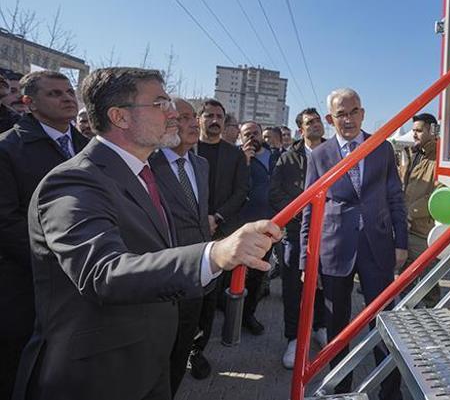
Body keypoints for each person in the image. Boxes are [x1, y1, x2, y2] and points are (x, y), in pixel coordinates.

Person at [12, 68, 281, 400]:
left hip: (149, 358)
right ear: (120, 116)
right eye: (160, 103)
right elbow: (104, 272)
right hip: (99, 373)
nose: (174, 114)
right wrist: (214, 254)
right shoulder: (73, 181)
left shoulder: (142, 172)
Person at [300, 88, 407, 400]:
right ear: (331, 118)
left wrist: (400, 241)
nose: (347, 119)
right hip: (334, 250)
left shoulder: (382, 148)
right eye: (341, 114)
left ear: (362, 113)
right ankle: (340, 388)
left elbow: (395, 197)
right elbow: (309, 208)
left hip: (378, 247)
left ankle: (390, 390)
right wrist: (308, 260)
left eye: (353, 112)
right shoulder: (320, 155)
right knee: (337, 325)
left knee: (383, 322)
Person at [0, 71, 87, 400]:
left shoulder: (87, 147)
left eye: (69, 91)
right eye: (54, 93)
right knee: (19, 367)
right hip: (26, 281)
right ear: (29, 102)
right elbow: (5, 221)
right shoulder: (8, 149)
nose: (67, 98)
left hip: (78, 278)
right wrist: (52, 260)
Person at [148, 99, 211, 396]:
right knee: (156, 353)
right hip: (162, 277)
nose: (193, 123)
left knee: (182, 345)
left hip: (197, 274)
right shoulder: (148, 165)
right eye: (184, 117)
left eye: (193, 117)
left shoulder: (201, 165)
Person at [190, 99, 249, 378]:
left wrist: (217, 218)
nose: (215, 120)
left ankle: (196, 350)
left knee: (209, 294)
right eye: (209, 115)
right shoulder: (186, 149)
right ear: (199, 119)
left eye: (219, 117)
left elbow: (240, 192)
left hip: (219, 232)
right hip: (186, 231)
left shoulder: (235, 156)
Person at [269, 108, 327, 369]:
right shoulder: (287, 158)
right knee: (293, 286)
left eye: (317, 121)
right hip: (295, 233)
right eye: (309, 123)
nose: (315, 125)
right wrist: (301, 212)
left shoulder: (334, 153)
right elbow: (275, 193)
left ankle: (321, 326)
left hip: (328, 231)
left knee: (325, 284)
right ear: (300, 130)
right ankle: (293, 338)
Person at [238, 121, 281, 335]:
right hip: (242, 224)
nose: (252, 137)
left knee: (257, 273)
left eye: (255, 132)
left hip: (269, 223)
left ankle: (248, 315)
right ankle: (230, 313)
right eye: (247, 134)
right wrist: (244, 161)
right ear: (241, 136)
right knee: (234, 272)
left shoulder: (276, 156)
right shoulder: (238, 157)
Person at [399, 113, 442, 307]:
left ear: (432, 130)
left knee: (428, 283)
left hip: (423, 231)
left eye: (418, 130)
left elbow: (437, 194)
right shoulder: (415, 154)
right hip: (408, 227)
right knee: (405, 282)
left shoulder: (439, 157)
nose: (414, 134)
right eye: (413, 130)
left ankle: (434, 320)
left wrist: (410, 212)